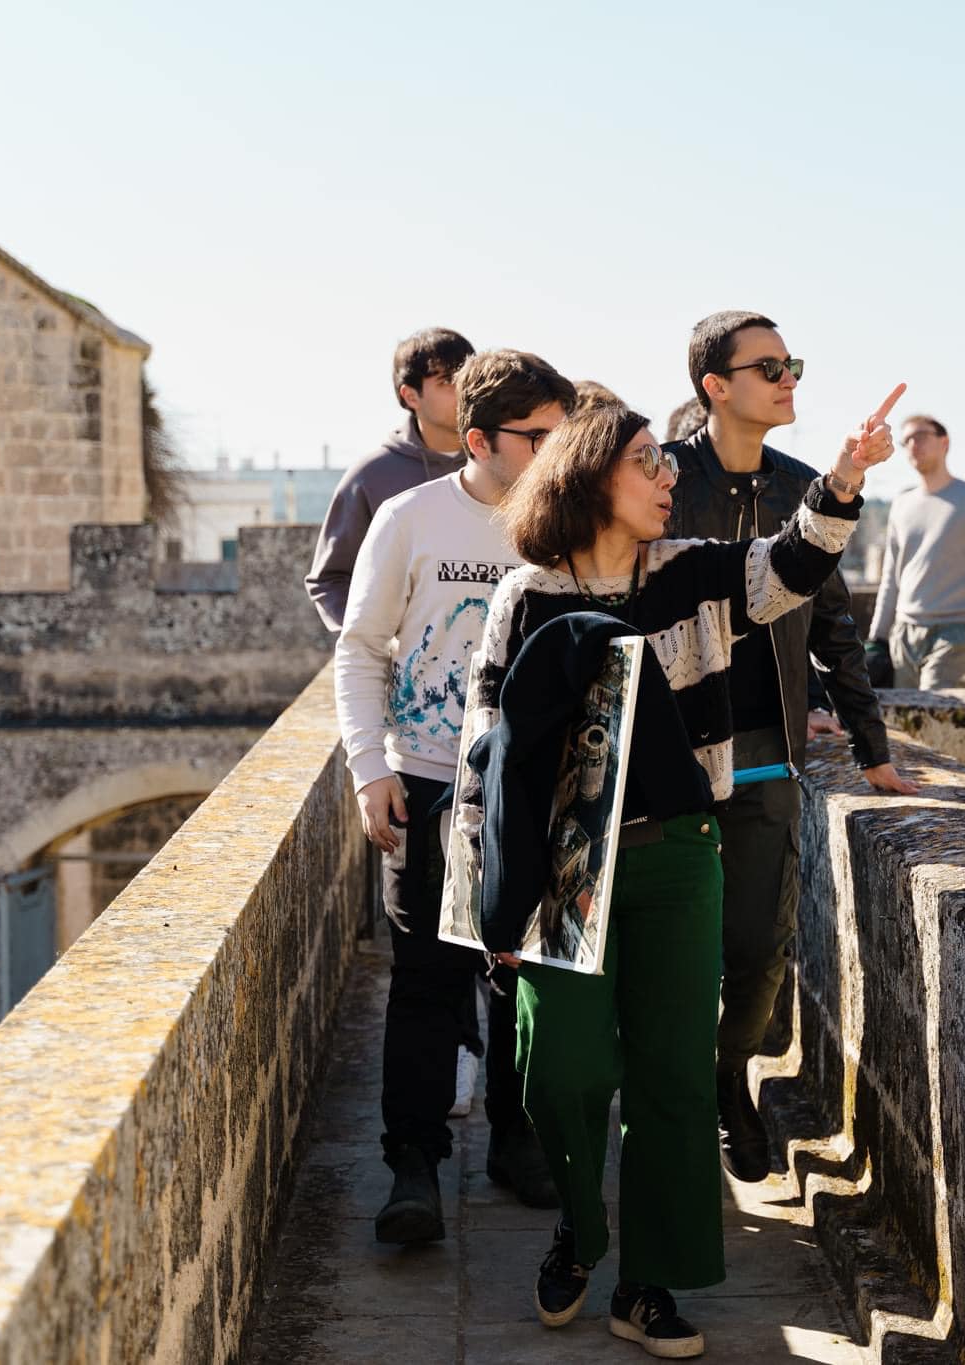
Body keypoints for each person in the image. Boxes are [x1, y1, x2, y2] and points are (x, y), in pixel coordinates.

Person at [456, 392, 903, 1358]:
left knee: (670, 1077)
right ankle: (580, 1224)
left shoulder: (692, 574)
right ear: (589, 479)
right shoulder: (525, 595)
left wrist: (844, 479)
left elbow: (790, 568)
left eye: (666, 463)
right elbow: (482, 756)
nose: (668, 479)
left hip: (678, 855)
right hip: (569, 871)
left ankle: (647, 1283)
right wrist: (485, 893)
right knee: (564, 1067)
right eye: (647, 464)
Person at [664, 310, 915, 1186]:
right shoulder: (663, 482)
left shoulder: (808, 483)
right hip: (674, 754)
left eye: (791, 363)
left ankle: (729, 1075)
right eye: (768, 366)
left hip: (771, 744)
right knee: (676, 946)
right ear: (715, 387)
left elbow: (834, 625)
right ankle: (685, 1098)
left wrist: (872, 744)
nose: (787, 378)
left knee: (761, 955)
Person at [333, 349, 576, 1244]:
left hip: (534, 790)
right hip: (431, 779)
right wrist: (370, 768)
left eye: (563, 433)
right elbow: (359, 648)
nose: (556, 452)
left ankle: (517, 1141)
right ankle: (413, 1166)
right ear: (479, 440)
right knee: (427, 983)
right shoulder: (410, 519)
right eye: (537, 437)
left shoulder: (563, 522)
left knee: (526, 976)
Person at [306, 327, 475, 629]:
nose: (464, 389)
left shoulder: (500, 462)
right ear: (410, 395)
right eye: (447, 381)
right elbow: (330, 580)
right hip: (401, 669)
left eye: (469, 376)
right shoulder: (370, 476)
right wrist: (372, 644)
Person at [865, 413, 965, 688]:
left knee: (939, 715)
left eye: (921, 436)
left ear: (944, 442)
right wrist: (877, 638)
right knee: (906, 723)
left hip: (957, 630)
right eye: (907, 440)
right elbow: (891, 576)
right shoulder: (901, 504)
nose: (913, 445)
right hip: (905, 630)